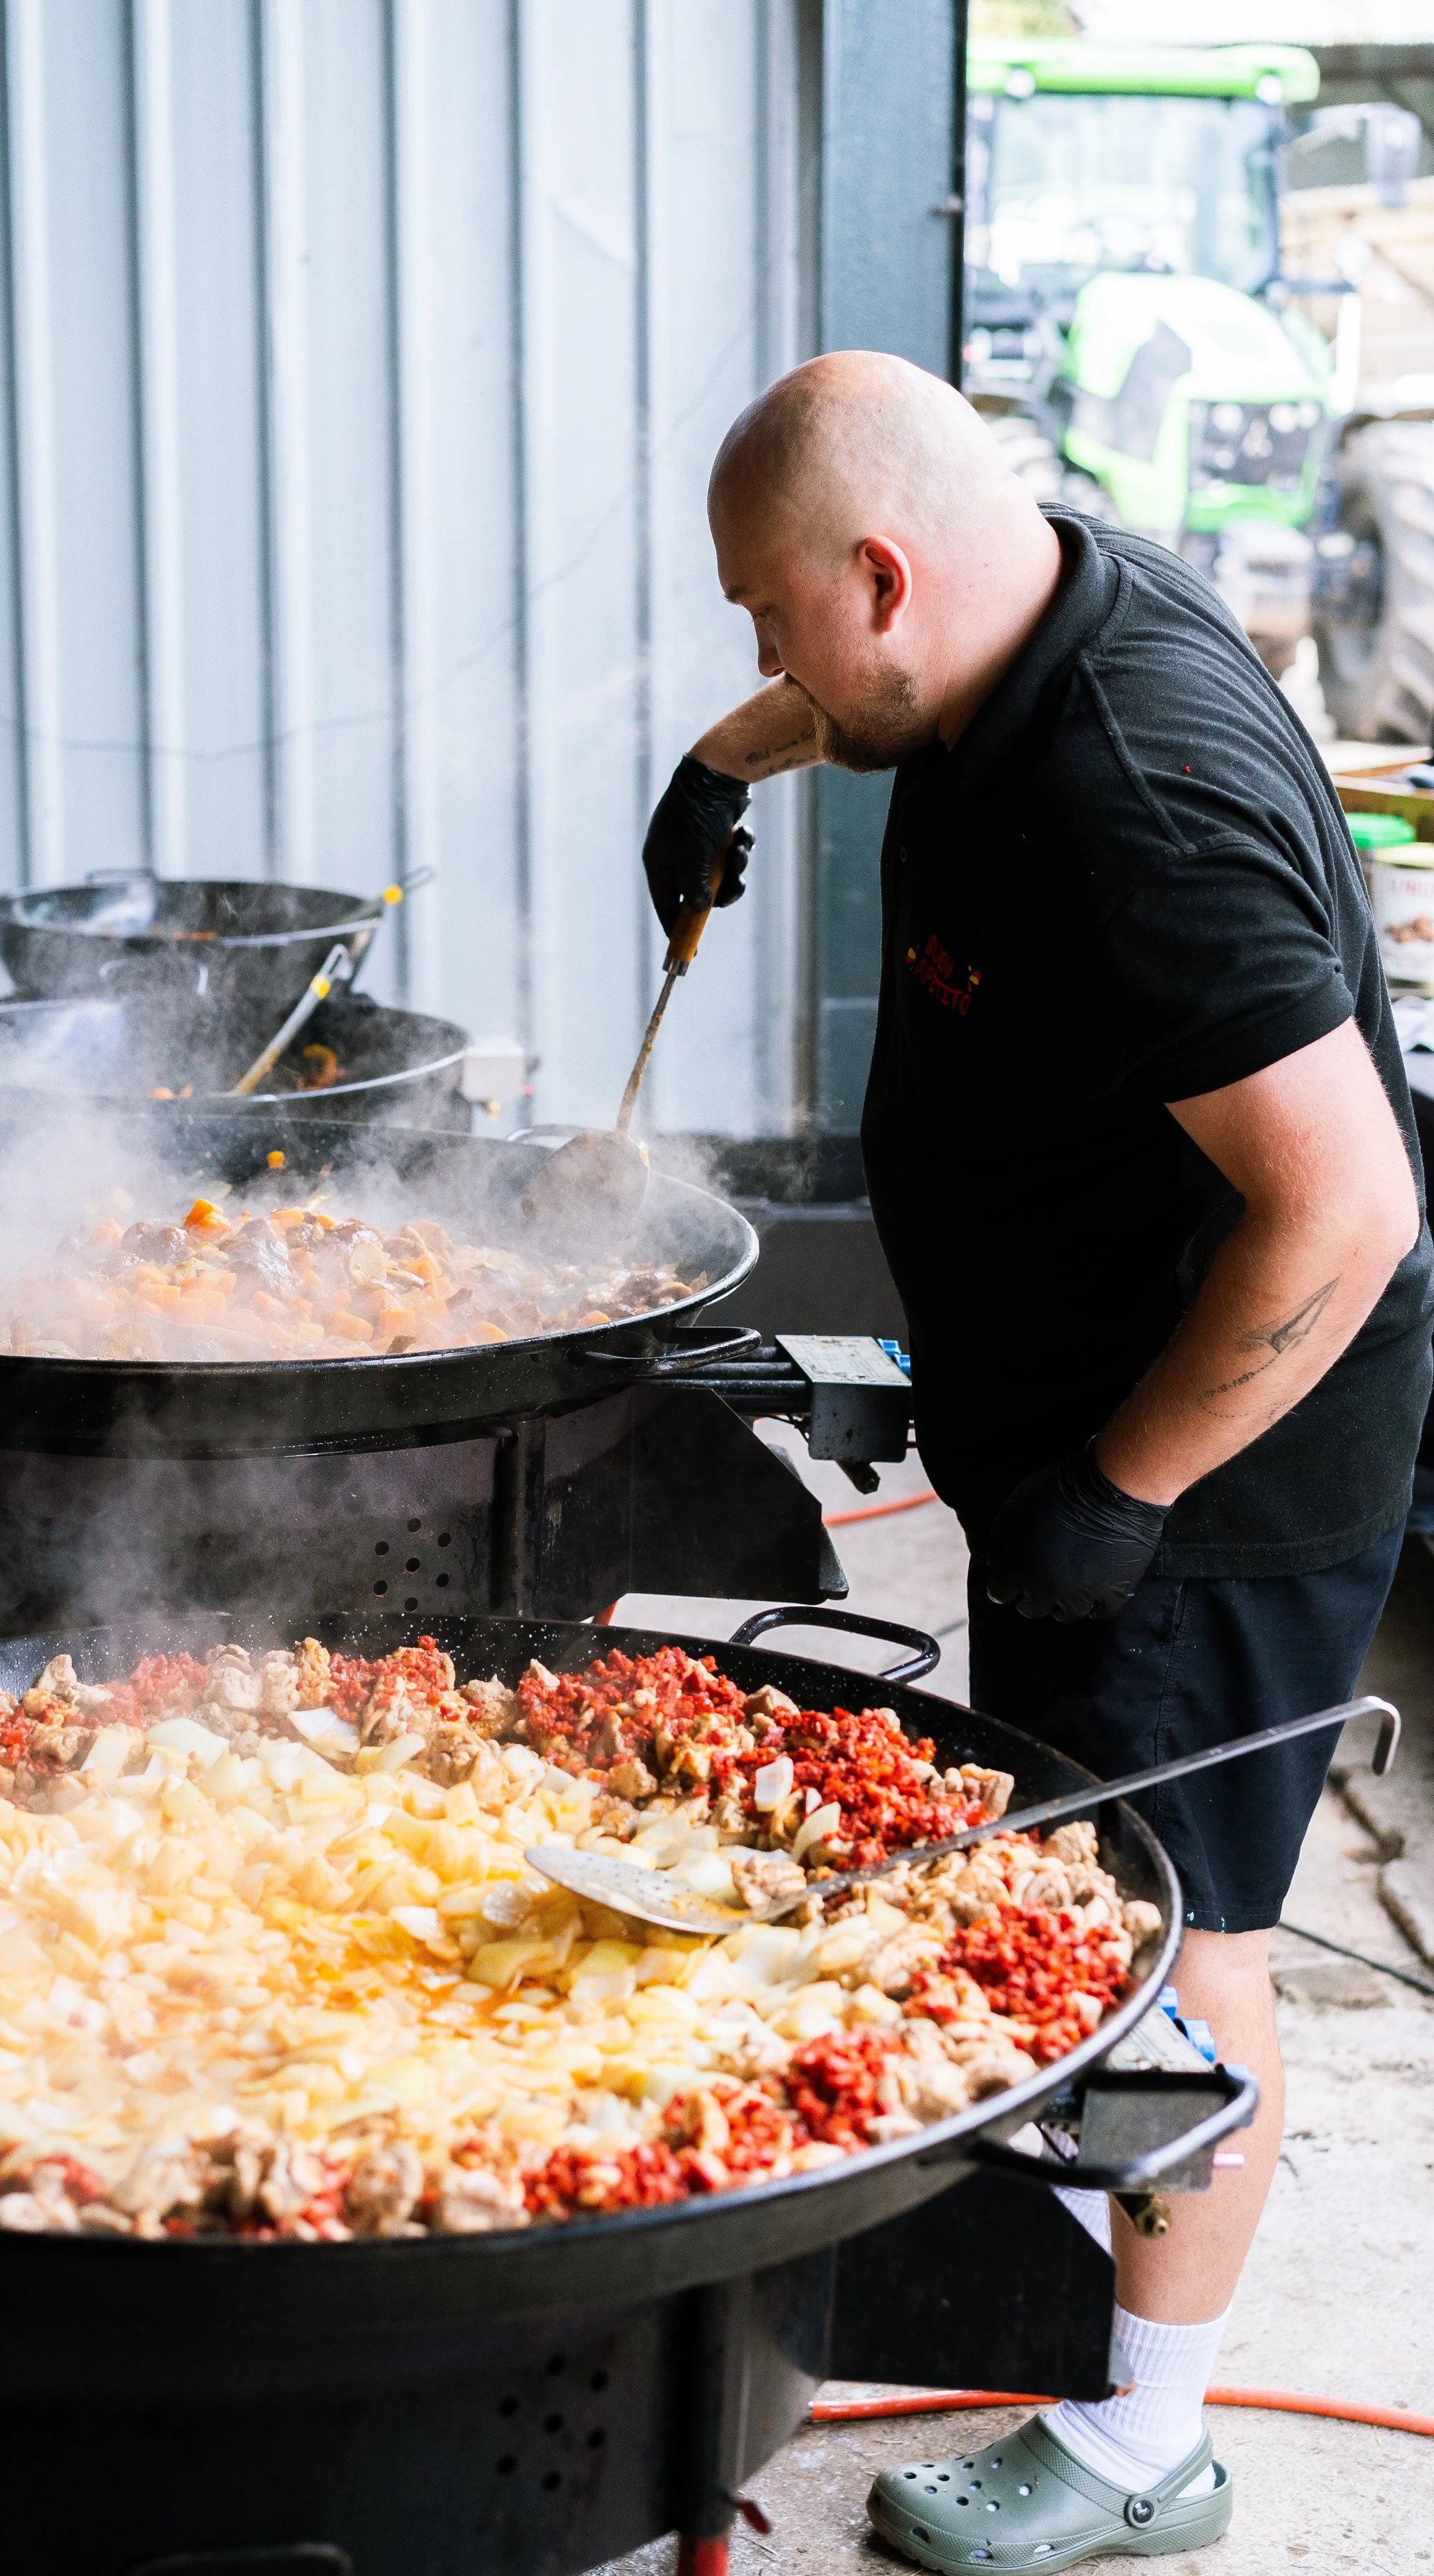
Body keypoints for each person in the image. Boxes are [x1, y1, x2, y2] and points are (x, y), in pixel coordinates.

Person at [644, 351, 1433, 2573]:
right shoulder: (1000, 612)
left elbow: (1348, 1207)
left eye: (763, 623)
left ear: (878, 574)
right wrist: (729, 759)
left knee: (1191, 1940)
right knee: (1082, 1884)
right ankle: (1070, 2256)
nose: (760, 658)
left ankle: (1142, 2441)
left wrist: (1119, 1486)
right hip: (1087, 1395)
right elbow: (872, 681)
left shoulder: (1138, 796)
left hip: (1216, 1456)